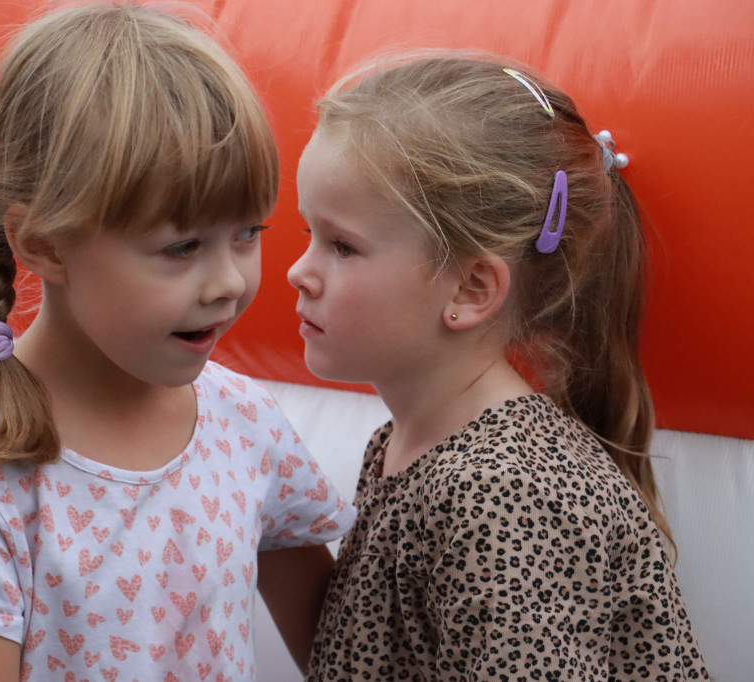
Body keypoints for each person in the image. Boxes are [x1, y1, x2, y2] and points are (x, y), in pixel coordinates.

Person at [0, 4, 355, 681]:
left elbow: (340, 657)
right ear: (44, 245)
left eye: (247, 233)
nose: (226, 283)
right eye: (181, 247)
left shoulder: (246, 426)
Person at [288, 53, 710, 680]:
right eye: (307, 233)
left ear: (470, 291)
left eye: (342, 245)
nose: (299, 271)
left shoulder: (502, 495)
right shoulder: (410, 443)